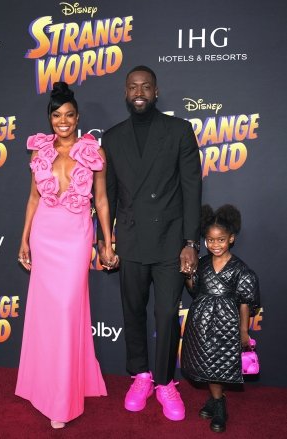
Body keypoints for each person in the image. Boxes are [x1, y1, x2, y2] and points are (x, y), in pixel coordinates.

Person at [97, 65, 202, 421]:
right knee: (133, 311)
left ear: (156, 92)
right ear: (126, 93)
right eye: (132, 86)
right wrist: (105, 241)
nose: (139, 91)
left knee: (167, 314)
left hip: (170, 239)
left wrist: (191, 241)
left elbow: (192, 190)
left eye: (145, 86)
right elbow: (106, 196)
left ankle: (164, 382)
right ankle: (140, 375)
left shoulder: (179, 132)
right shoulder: (111, 139)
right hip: (130, 238)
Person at [15, 82, 116, 429]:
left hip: (75, 239)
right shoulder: (38, 152)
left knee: (65, 311)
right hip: (44, 236)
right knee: (48, 316)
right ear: (50, 118)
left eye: (69, 115)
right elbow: (32, 200)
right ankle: (42, 386)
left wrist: (107, 242)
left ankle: (61, 398)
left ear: (78, 117)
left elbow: (101, 200)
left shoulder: (92, 152)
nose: (63, 121)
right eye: (57, 115)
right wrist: (24, 239)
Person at [181, 204, 260, 433]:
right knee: (206, 363)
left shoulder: (240, 269)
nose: (215, 245)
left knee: (220, 366)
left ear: (231, 239)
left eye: (221, 240)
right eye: (210, 240)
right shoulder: (202, 263)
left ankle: (219, 405)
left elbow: (245, 302)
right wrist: (188, 276)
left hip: (226, 323)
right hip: (201, 322)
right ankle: (215, 401)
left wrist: (243, 331)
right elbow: (194, 291)